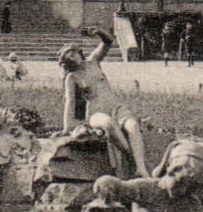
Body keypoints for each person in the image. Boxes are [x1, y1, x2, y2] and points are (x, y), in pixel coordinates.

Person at [58, 25, 149, 178]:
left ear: (79, 52)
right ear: (66, 62)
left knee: (132, 125)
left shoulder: (93, 61)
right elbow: (70, 101)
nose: (73, 56)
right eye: (68, 56)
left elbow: (108, 41)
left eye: (73, 52)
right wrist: (67, 128)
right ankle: (133, 159)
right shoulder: (72, 77)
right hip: (96, 112)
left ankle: (141, 168)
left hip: (116, 107)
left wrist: (99, 32)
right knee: (108, 125)